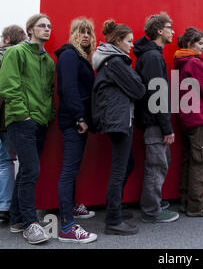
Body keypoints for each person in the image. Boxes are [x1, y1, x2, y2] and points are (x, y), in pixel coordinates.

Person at [0, 14, 55, 244]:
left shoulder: (48, 61)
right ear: (30, 29)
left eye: (49, 26)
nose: (47, 29)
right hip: (21, 121)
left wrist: (47, 117)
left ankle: (17, 219)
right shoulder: (16, 52)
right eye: (42, 26)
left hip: (40, 122)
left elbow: (49, 91)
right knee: (31, 171)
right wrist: (25, 115)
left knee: (25, 172)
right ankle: (31, 224)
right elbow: (8, 86)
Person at [92, 19, 146, 235]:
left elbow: (135, 87)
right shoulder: (114, 62)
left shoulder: (115, 61)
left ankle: (114, 207)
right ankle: (113, 220)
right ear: (117, 41)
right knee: (119, 169)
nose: (131, 45)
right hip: (119, 121)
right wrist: (137, 84)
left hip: (120, 119)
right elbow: (139, 89)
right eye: (129, 41)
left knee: (127, 164)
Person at [133, 12, 179, 223]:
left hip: (153, 120)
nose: (173, 31)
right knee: (156, 165)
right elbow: (156, 95)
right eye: (170, 28)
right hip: (154, 121)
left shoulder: (153, 54)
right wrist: (166, 128)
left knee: (161, 161)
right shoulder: (152, 57)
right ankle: (151, 211)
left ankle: (154, 203)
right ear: (160, 31)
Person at [55, 18, 98, 243]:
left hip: (77, 120)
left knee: (73, 168)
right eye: (81, 32)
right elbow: (68, 89)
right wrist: (80, 118)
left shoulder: (80, 56)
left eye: (88, 32)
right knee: (69, 171)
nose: (85, 36)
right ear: (72, 33)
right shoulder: (70, 55)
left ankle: (71, 207)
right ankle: (67, 227)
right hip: (73, 121)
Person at [173, 27, 203, 217]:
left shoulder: (180, 62)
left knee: (188, 160)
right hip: (198, 118)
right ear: (189, 44)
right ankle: (196, 206)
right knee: (200, 162)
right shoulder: (194, 63)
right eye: (200, 43)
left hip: (185, 117)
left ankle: (185, 200)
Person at [0, 25, 26, 225]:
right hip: (11, 120)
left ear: (6, 39)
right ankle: (5, 208)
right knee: (6, 162)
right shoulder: (19, 60)